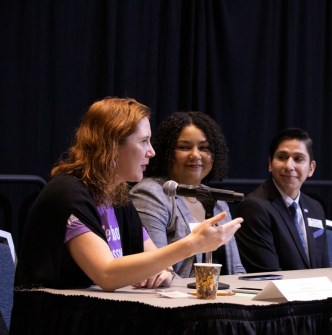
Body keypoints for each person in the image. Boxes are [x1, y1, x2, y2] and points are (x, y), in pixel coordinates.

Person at [14, 97, 242, 291]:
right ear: (111, 146)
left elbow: (156, 258)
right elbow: (106, 274)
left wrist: (164, 270)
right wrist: (192, 245)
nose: (152, 152)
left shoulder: (117, 193)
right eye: (144, 141)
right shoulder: (67, 193)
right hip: (56, 327)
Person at [130, 112, 245, 277]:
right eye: (184, 147)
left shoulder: (217, 201)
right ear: (167, 151)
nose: (196, 155)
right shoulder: (151, 194)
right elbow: (157, 268)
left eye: (204, 148)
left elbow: (236, 269)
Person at [235, 128, 329, 272]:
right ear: (270, 164)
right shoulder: (254, 207)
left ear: (311, 168)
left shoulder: (315, 207)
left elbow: (323, 268)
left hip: (316, 291)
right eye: (282, 157)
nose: (289, 166)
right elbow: (267, 274)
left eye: (298, 159)